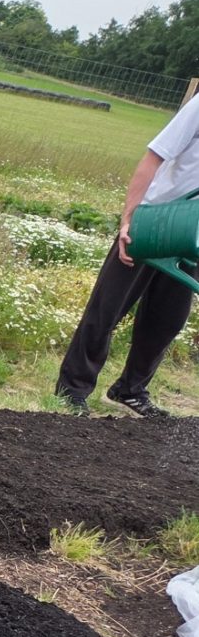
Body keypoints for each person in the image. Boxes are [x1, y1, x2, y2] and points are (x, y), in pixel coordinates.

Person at [55, 91, 199, 417]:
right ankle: (72, 389)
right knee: (108, 309)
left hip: (191, 233)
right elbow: (153, 157)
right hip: (155, 220)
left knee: (168, 320)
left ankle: (130, 389)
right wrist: (130, 219)